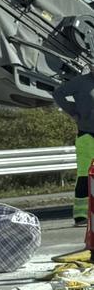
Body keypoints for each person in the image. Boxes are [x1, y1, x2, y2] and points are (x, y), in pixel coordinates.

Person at [53, 71, 94, 225]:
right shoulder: (80, 82)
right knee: (84, 174)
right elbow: (58, 94)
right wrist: (73, 111)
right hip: (87, 135)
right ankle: (81, 215)